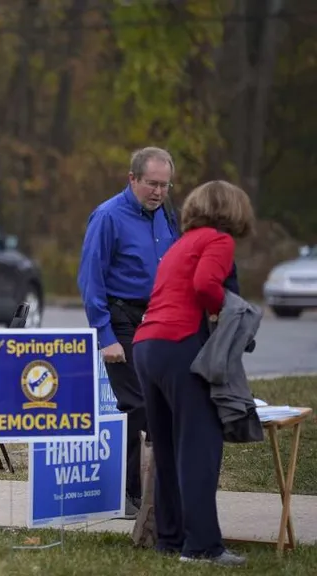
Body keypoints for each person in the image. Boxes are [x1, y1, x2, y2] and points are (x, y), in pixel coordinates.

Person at [131, 181, 254, 567]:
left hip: (146, 345)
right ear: (232, 210)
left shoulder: (178, 244)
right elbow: (205, 286)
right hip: (181, 344)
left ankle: (171, 538)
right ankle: (202, 547)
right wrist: (223, 311)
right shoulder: (218, 240)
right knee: (199, 447)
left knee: (166, 447)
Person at [76, 146, 179, 517]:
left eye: (165, 185)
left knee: (163, 404)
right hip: (121, 319)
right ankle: (129, 493)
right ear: (131, 179)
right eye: (151, 183)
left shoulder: (166, 214)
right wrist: (106, 337)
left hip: (160, 319)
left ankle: (156, 490)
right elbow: (90, 279)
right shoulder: (107, 216)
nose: (158, 192)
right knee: (137, 405)